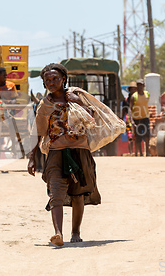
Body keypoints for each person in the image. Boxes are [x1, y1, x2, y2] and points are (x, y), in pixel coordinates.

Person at [28, 63, 101, 247]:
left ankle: (75, 232)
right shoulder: (44, 105)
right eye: (47, 80)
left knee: (78, 194)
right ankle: (58, 233)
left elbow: (93, 117)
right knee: (56, 194)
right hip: (56, 153)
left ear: (63, 79)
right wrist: (31, 158)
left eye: (55, 79)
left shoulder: (77, 96)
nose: (51, 82)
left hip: (79, 151)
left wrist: (77, 101)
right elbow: (37, 132)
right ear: (44, 84)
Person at [129, 79, 151, 156]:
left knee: (147, 135)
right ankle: (139, 153)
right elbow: (130, 108)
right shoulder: (133, 96)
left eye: (141, 85)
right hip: (137, 119)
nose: (139, 87)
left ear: (143, 86)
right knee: (138, 137)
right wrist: (131, 120)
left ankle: (147, 152)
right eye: (138, 85)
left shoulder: (147, 94)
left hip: (145, 118)